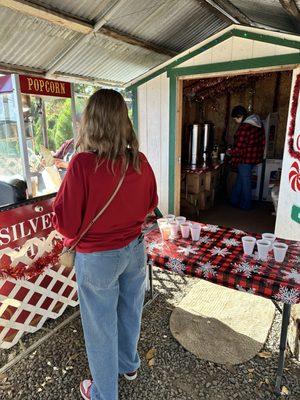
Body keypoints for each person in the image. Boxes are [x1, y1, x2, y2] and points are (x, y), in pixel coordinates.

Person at [53, 89, 158, 400]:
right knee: (130, 311)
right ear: (123, 122)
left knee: (101, 326)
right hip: (135, 249)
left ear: (91, 122)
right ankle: (129, 365)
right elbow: (151, 203)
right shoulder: (138, 160)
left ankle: (104, 393)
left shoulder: (82, 165)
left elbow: (67, 225)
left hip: (98, 258)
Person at [228, 105, 265, 210]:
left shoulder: (245, 127)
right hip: (254, 158)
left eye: (236, 118)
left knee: (245, 183)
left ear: (241, 116)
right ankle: (233, 200)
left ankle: (246, 205)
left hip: (245, 159)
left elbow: (239, 148)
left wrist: (230, 152)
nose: (235, 120)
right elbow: (262, 141)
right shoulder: (258, 124)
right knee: (241, 179)